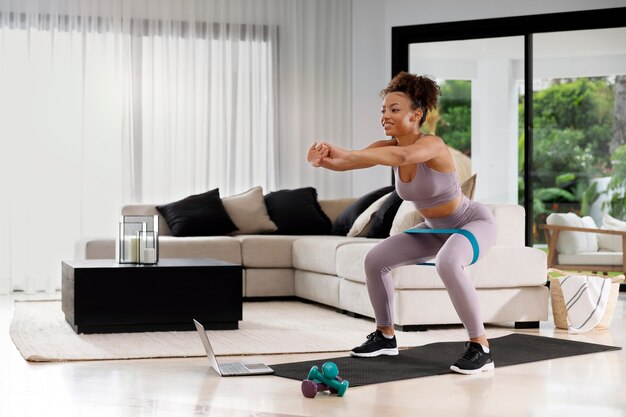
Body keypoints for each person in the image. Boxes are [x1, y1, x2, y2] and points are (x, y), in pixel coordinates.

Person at [306, 72, 497, 375]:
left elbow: (403, 154)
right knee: (376, 259)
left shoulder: (432, 145)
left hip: (470, 223)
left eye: (394, 109)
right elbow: (345, 163)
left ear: (416, 114)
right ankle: (385, 336)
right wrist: (321, 158)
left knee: (448, 262)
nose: (385, 115)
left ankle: (481, 348)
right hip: (435, 229)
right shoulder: (386, 146)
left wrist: (348, 152)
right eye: (383, 110)